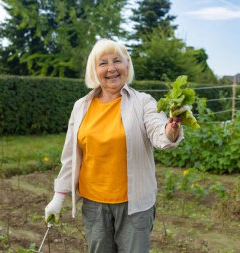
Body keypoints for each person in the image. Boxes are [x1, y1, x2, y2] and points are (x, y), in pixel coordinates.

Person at [44, 38, 184, 253]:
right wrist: (58, 196)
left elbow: (160, 136)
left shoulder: (144, 102)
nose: (111, 69)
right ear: (95, 70)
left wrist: (171, 129)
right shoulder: (81, 106)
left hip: (134, 205)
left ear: (127, 65)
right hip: (94, 205)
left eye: (117, 61)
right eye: (103, 63)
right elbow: (71, 156)